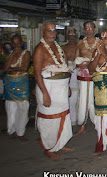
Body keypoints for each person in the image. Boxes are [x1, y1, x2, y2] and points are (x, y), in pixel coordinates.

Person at [33, 21, 74, 159]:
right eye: (49, 31)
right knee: (49, 120)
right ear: (42, 32)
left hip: (61, 89)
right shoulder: (40, 49)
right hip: (48, 89)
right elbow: (37, 73)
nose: (52, 33)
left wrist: (67, 86)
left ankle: (60, 143)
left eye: (54, 31)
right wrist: (45, 93)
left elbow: (64, 67)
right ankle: (49, 148)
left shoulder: (59, 47)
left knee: (63, 116)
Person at [2, 34, 31, 141]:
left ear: (22, 43)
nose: (16, 45)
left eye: (18, 43)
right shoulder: (9, 54)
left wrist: (10, 69)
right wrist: (13, 54)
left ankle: (20, 132)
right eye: (14, 43)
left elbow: (24, 68)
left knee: (23, 108)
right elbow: (5, 68)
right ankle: (12, 129)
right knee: (10, 107)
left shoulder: (26, 53)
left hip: (21, 83)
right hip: (10, 83)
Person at [74, 21, 99, 135]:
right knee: (83, 99)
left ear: (95, 30)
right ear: (84, 30)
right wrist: (80, 64)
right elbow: (76, 58)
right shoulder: (80, 43)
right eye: (86, 29)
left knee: (95, 99)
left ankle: (97, 123)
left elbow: (102, 57)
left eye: (90, 28)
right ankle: (82, 124)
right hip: (83, 74)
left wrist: (90, 64)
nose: (88, 31)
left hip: (95, 73)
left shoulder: (100, 42)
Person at [62, 27, 78, 126]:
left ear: (76, 36)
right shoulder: (63, 48)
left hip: (77, 72)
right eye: (70, 34)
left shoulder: (79, 46)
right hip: (66, 72)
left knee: (76, 96)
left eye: (73, 34)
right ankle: (66, 118)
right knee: (66, 95)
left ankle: (74, 119)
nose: (71, 37)